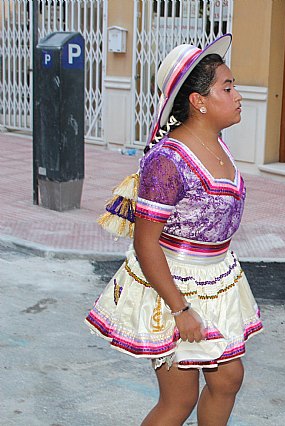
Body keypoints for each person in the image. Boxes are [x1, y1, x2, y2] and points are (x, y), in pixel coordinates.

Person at [85, 34, 263, 425]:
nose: (238, 95)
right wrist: (180, 310)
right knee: (179, 400)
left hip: (218, 277)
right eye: (227, 87)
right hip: (173, 285)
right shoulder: (168, 162)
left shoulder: (217, 143)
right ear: (198, 102)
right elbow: (145, 242)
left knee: (228, 378)